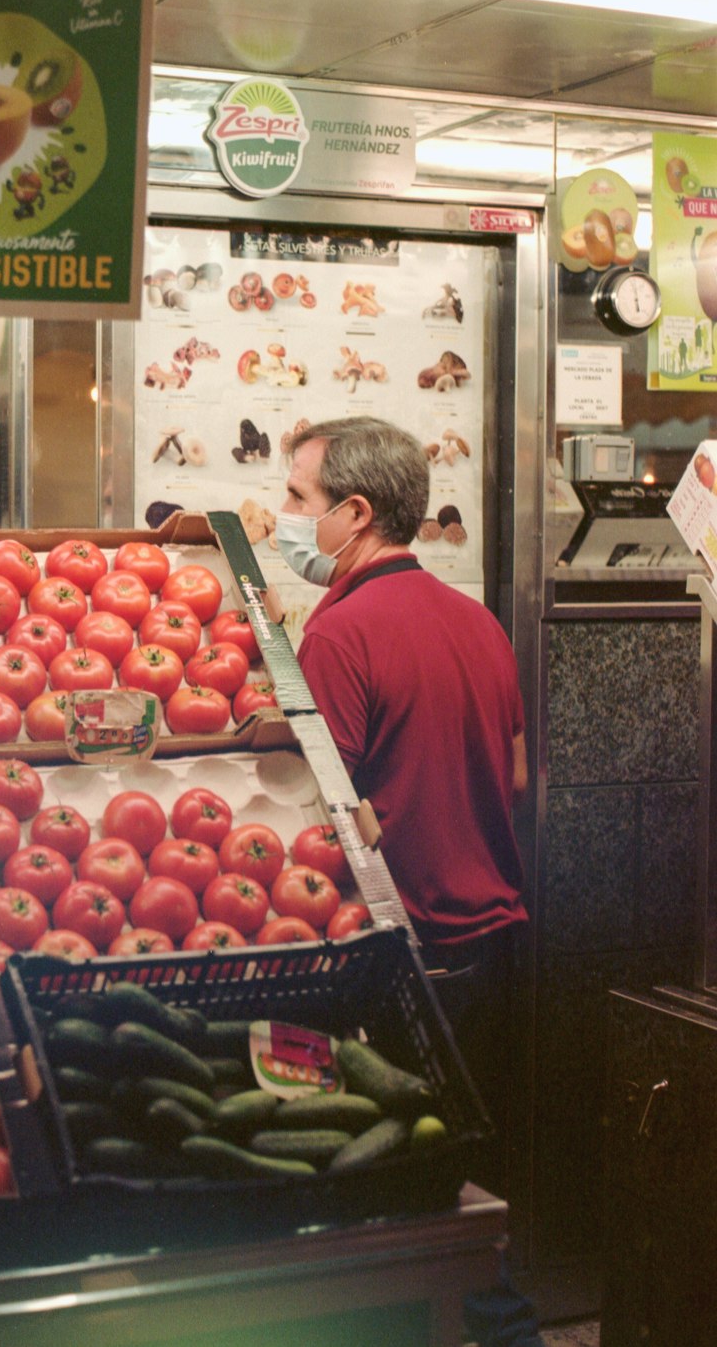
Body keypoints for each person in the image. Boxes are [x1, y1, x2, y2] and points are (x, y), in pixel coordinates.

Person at [277, 415, 543, 1347]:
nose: (288, 518)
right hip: (494, 943)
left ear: (355, 512)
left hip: (408, 957)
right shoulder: (477, 622)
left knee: (404, 1205)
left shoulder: (340, 633)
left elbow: (327, 818)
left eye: (300, 500)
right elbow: (510, 776)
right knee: (468, 1186)